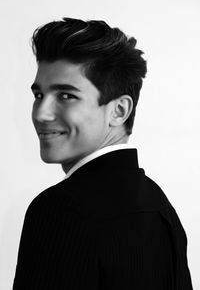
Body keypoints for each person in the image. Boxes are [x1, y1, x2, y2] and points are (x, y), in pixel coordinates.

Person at [13, 17, 193, 289]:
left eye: (65, 96)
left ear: (119, 111)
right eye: (39, 95)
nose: (41, 113)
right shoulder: (160, 207)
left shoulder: (59, 210)